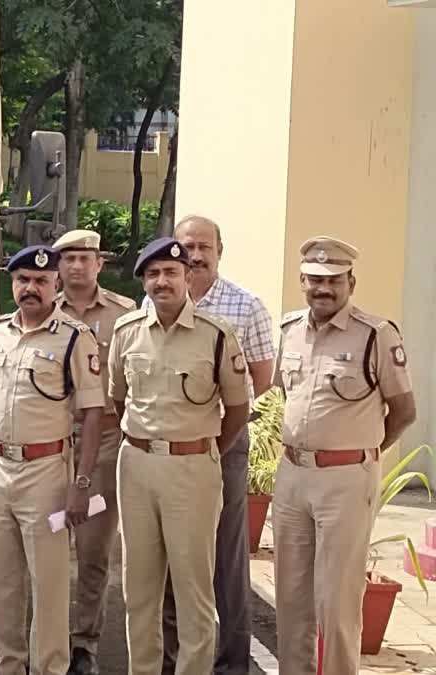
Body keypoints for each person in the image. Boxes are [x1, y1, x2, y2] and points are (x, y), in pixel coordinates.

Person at [0, 245, 104, 675]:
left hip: (47, 473)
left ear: (55, 285)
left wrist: (81, 484)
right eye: (22, 280)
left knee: (49, 582)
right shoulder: (1, 332)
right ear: (13, 284)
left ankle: (49, 669)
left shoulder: (74, 337)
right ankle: (9, 665)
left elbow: (94, 413)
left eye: (41, 281)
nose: (30, 289)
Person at [273, 236, 416, 674]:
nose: (324, 288)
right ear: (302, 281)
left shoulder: (376, 334)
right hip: (292, 476)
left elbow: (404, 411)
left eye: (334, 280)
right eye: (315, 280)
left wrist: (362, 453)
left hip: (346, 481)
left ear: (350, 281)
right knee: (290, 599)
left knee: (336, 602)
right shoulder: (288, 330)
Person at [109, 237, 250, 675]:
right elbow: (119, 399)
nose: (161, 281)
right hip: (136, 466)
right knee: (140, 588)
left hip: (193, 470)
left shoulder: (216, 336)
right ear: (145, 282)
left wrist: (204, 448)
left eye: (171, 272)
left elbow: (238, 408)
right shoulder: (125, 332)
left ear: (189, 278)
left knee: (193, 590)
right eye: (152, 274)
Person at [145, 216, 275, 675]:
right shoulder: (156, 298)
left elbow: (259, 381)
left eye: (204, 246)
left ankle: (231, 664)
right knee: (167, 558)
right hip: (165, 451)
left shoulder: (246, 306)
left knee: (226, 555)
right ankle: (173, 660)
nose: (195, 255)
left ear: (220, 251)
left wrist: (216, 437)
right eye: (187, 246)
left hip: (225, 443)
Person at [50, 229, 136, 675]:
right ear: (58, 266)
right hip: (49, 448)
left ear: (99, 264)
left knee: (93, 551)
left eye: (85, 257)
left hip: (102, 446)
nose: (77, 265)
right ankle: (46, 640)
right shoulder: (42, 310)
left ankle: (84, 644)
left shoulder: (125, 315)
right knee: (44, 548)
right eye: (68, 258)